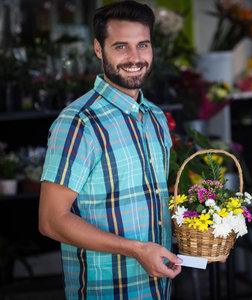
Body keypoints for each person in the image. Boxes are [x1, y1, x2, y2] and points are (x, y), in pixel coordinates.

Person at [38, 1, 182, 299]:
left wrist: (206, 230)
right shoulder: (79, 123)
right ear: (98, 49)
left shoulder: (155, 117)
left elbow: (152, 200)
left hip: (158, 287)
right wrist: (137, 250)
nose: (135, 57)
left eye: (143, 45)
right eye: (121, 47)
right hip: (107, 291)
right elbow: (52, 220)